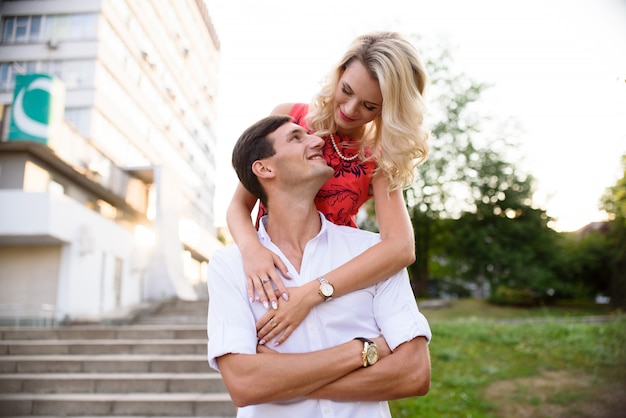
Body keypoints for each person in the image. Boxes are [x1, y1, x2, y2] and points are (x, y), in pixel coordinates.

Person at [207, 115, 431, 417]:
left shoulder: (372, 253)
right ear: (264, 168)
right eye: (297, 138)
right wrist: (361, 350)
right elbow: (245, 384)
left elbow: (414, 374)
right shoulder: (229, 266)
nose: (317, 141)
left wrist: (282, 381)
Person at [226, 31, 430, 345]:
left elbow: (401, 247)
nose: (349, 109)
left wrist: (313, 293)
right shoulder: (289, 119)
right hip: (271, 271)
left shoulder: (378, 156)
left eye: (369, 105)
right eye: (345, 90)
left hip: (335, 282)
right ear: (338, 74)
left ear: (388, 108)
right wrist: (252, 251)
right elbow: (239, 205)